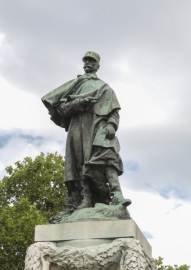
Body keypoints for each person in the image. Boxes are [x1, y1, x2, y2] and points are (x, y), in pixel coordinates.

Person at [42, 51, 130, 213]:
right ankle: (86, 197)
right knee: (79, 161)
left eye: (92, 61)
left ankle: (116, 193)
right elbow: (61, 109)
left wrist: (111, 124)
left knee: (108, 157)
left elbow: (114, 112)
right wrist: (79, 103)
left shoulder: (105, 88)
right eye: (86, 60)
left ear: (98, 66)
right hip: (78, 126)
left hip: (99, 127)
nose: (88, 63)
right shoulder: (75, 84)